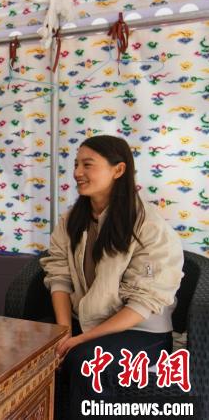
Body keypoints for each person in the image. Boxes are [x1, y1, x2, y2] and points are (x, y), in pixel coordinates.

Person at [41, 135, 183, 419]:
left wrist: (80, 340)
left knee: (86, 363)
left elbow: (143, 302)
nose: (77, 172)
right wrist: (64, 332)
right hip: (86, 322)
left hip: (142, 331)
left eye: (88, 164)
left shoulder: (149, 225)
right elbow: (58, 274)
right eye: (76, 164)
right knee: (36, 351)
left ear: (118, 170)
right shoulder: (71, 220)